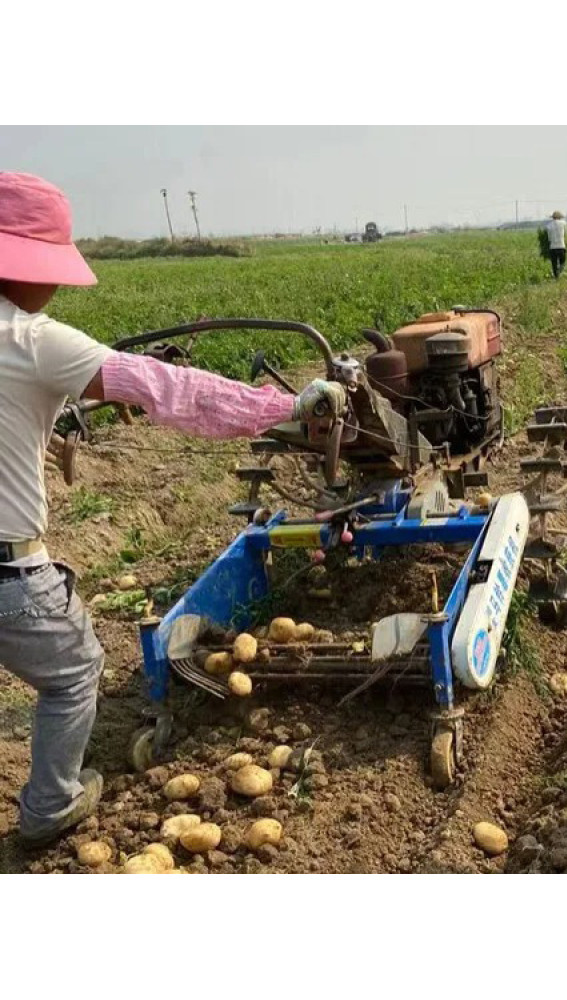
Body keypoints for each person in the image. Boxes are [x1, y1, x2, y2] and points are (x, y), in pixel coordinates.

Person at [0, 172, 346, 846]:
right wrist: (287, 407)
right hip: (8, 575)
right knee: (74, 672)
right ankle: (50, 807)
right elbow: (170, 390)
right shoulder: (31, 341)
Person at [545, 211, 567, 278]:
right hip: (561, 246)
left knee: (554, 263)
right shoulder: (563, 223)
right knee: (562, 262)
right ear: (559, 217)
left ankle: (556, 276)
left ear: (553, 217)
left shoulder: (548, 225)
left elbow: (549, 238)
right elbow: (566, 234)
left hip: (552, 247)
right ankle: (559, 272)